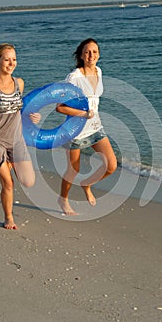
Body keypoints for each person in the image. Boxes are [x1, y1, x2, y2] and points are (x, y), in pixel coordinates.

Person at [0, 42, 40, 229]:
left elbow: (17, 110)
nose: (11, 63)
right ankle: (8, 218)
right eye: (7, 59)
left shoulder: (19, 83)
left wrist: (32, 117)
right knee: (8, 183)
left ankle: (10, 160)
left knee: (29, 181)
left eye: (14, 59)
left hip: (16, 139)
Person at [56, 38, 117, 215]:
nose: (91, 55)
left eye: (95, 52)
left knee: (111, 166)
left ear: (99, 54)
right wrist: (84, 114)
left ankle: (87, 183)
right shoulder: (74, 77)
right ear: (81, 55)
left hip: (96, 127)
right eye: (88, 52)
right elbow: (60, 107)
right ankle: (63, 199)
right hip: (75, 130)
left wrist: (91, 115)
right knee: (73, 169)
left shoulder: (99, 71)